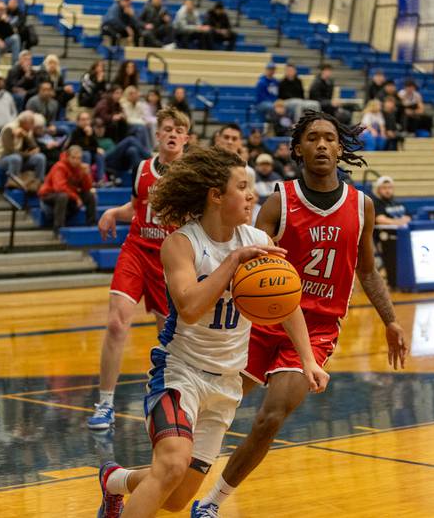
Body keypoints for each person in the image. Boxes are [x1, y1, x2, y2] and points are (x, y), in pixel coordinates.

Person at [191, 110, 408, 517]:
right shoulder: (278, 201)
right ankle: (167, 475)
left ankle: (212, 503)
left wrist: (391, 320)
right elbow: (251, 263)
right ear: (298, 149)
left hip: (317, 330)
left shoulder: (362, 206)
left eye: (329, 138)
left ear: (340, 148)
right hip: (262, 322)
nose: (322, 144)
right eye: (312, 138)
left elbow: (366, 270)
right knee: (211, 408)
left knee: (271, 417)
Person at [97, 145, 327, 517]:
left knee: (173, 499)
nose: (252, 194)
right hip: (179, 373)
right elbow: (189, 307)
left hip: (226, 384)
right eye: (242, 186)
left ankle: (114, 481)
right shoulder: (182, 244)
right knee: (171, 465)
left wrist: (308, 360)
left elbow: (287, 303)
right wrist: (234, 261)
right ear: (216, 196)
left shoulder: (260, 241)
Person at [87, 108, 190, 430]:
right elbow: (137, 207)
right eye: (168, 129)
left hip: (169, 260)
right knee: (117, 324)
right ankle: (105, 403)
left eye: (179, 130)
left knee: (169, 338)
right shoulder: (143, 168)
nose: (173, 134)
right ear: (157, 135)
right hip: (135, 250)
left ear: (186, 138)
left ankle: (174, 398)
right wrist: (112, 213)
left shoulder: (192, 177)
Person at [39, 146, 96, 236]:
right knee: (63, 196)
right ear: (68, 157)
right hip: (49, 195)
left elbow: (87, 188)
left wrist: (87, 174)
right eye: (73, 158)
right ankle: (59, 229)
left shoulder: (80, 167)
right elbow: (59, 187)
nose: (76, 161)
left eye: (79, 158)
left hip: (68, 196)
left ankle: (92, 224)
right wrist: (76, 198)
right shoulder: (59, 166)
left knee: (90, 195)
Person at [0, 111, 47, 188]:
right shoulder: (9, 129)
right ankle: (12, 182)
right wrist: (28, 154)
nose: (33, 126)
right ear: (24, 122)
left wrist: (25, 136)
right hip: (1, 160)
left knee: (40, 157)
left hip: (21, 159)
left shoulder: (27, 130)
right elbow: (9, 152)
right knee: (15, 158)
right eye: (31, 123)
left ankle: (38, 182)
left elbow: (35, 148)